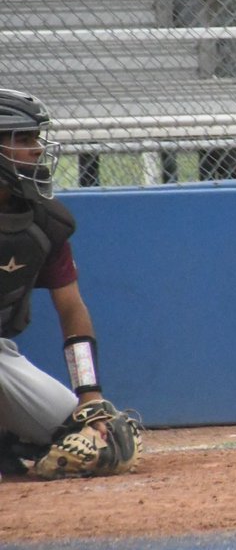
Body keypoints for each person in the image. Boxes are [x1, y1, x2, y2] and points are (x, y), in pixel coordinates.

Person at [0, 88, 142, 479]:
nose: (36, 150)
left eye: (35, 139)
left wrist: (89, 395)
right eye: (22, 139)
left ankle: (10, 440)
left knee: (97, 440)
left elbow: (71, 308)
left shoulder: (44, 223)